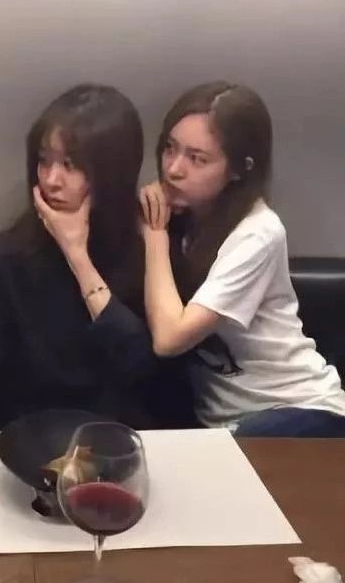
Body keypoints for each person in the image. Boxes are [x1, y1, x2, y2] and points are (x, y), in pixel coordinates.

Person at [0, 84, 195, 430]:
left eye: (70, 165)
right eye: (44, 161)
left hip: (116, 436)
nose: (51, 180)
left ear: (111, 172)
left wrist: (78, 259)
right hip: (23, 434)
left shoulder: (148, 246)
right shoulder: (10, 253)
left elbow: (146, 373)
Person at [139, 81, 345, 437]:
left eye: (197, 158)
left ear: (239, 169)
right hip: (227, 426)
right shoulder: (185, 221)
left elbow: (169, 338)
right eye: (170, 149)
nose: (173, 169)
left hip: (303, 412)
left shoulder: (259, 232)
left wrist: (154, 234)